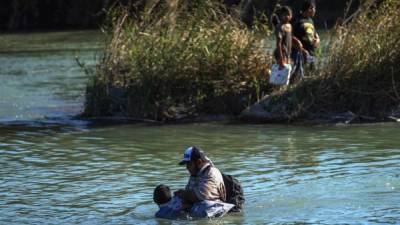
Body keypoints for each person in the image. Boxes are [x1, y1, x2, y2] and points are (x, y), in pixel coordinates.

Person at [271, 5, 309, 84]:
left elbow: (291, 38)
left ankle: (284, 89)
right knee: (281, 74)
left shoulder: (289, 26)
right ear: (281, 16)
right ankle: (277, 90)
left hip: (288, 53)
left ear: (291, 15)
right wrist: (281, 59)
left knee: (287, 73)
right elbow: (278, 44)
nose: (287, 16)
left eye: (289, 14)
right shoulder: (280, 27)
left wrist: (300, 46)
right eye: (285, 15)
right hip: (281, 53)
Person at [153, 183, 234, 219]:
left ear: (155, 200)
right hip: (212, 205)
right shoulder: (178, 196)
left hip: (204, 212)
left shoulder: (160, 214)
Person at [292, 0, 320, 68]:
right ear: (309, 8)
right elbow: (290, 37)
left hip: (311, 53)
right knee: (297, 73)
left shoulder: (310, 20)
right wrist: (302, 51)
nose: (315, 10)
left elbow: (315, 33)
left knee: (312, 72)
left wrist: (317, 39)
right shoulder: (296, 20)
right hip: (299, 53)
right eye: (314, 8)